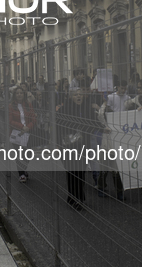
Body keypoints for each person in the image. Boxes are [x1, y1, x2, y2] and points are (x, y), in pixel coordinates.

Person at [57, 80, 103, 211]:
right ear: (71, 96)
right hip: (68, 147)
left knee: (81, 171)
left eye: (80, 95)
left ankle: (79, 196)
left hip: (83, 146)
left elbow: (93, 123)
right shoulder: (64, 109)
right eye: (76, 95)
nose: (78, 97)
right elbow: (58, 127)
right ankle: (73, 196)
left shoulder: (86, 109)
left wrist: (103, 128)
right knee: (72, 172)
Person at [9, 86, 36, 183]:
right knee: (19, 155)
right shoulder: (11, 106)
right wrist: (21, 127)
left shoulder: (28, 104)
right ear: (15, 95)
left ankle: (24, 169)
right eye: (17, 93)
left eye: (21, 93)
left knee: (28, 154)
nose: (19, 94)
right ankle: (21, 174)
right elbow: (10, 121)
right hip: (17, 133)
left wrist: (28, 127)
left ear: (23, 94)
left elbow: (33, 118)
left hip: (28, 132)